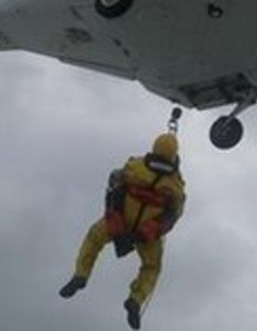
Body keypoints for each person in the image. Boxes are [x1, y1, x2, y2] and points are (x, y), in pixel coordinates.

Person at [59, 133, 186, 330]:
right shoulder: (176, 186)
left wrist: (117, 223)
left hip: (126, 222)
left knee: (94, 238)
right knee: (152, 268)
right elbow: (172, 216)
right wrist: (141, 233)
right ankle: (135, 300)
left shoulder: (134, 166)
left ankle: (80, 276)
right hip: (146, 233)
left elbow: (114, 186)